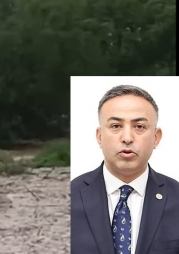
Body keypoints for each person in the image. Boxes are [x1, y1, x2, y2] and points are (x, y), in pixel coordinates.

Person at [71, 85, 179, 254]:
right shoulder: (71, 196)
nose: (127, 138)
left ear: (156, 138)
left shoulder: (176, 196)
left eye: (139, 127)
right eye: (115, 126)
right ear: (100, 136)